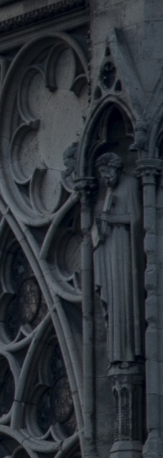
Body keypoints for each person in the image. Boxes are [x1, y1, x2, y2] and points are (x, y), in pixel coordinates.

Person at [93, 152, 144, 364]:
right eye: (102, 175)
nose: (105, 179)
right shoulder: (109, 191)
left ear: (115, 168)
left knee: (124, 299)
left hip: (126, 252)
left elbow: (136, 218)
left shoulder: (130, 184)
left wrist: (112, 220)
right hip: (112, 250)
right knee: (115, 303)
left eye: (106, 173)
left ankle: (129, 353)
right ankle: (117, 354)